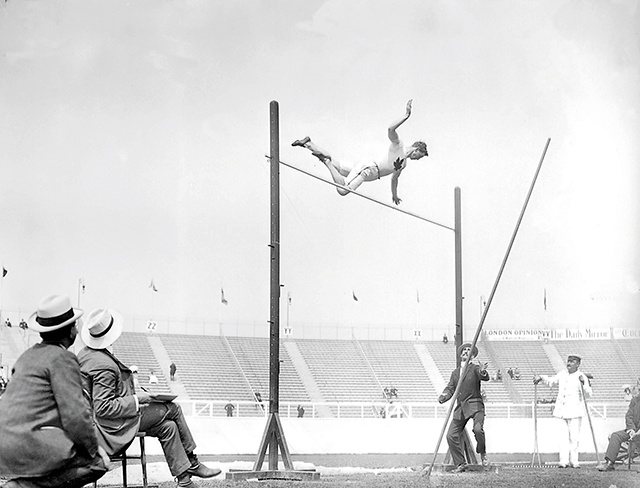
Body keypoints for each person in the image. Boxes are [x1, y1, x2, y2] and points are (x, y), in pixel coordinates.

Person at [77, 308, 220, 488]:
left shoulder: (87, 354)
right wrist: (139, 399)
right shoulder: (103, 365)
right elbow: (104, 407)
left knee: (168, 427)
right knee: (173, 408)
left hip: (102, 422)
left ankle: (184, 481)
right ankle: (193, 462)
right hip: (111, 427)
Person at [0, 294, 109, 488]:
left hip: (5, 444)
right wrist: (94, 448)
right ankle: (25, 486)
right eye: (74, 325)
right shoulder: (63, 358)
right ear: (70, 332)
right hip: (30, 443)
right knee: (97, 464)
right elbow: (75, 416)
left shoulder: (26, 356)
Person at [292, 99, 428, 205]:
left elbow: (394, 178)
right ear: (417, 149)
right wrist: (406, 115)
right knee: (343, 190)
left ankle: (308, 144)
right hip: (368, 169)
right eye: (419, 156)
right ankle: (326, 162)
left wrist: (394, 195)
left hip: (369, 169)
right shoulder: (399, 145)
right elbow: (390, 130)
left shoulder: (403, 164)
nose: (417, 160)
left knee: (338, 167)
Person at [533, 354, 593, 468]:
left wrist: (584, 384)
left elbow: (588, 394)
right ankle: (563, 461)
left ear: (578, 364)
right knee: (562, 437)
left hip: (575, 411)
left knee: (574, 438)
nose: (569, 363)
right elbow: (552, 381)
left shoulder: (581, 376)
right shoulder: (562, 374)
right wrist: (541, 378)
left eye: (572, 361)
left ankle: (574, 461)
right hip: (561, 411)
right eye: (568, 361)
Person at [438, 342, 490, 471]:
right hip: (461, 408)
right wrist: (443, 397)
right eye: (464, 350)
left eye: (469, 350)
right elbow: (450, 388)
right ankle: (461, 463)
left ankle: (482, 453)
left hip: (475, 405)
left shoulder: (475, 368)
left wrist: (483, 371)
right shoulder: (455, 373)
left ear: (472, 356)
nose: (466, 352)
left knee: (478, 430)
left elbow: (484, 376)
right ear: (461, 354)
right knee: (450, 435)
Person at [597, 390, 640, 471]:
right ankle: (609, 463)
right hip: (633, 430)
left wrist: (637, 433)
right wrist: (631, 430)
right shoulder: (635, 400)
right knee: (615, 436)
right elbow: (629, 416)